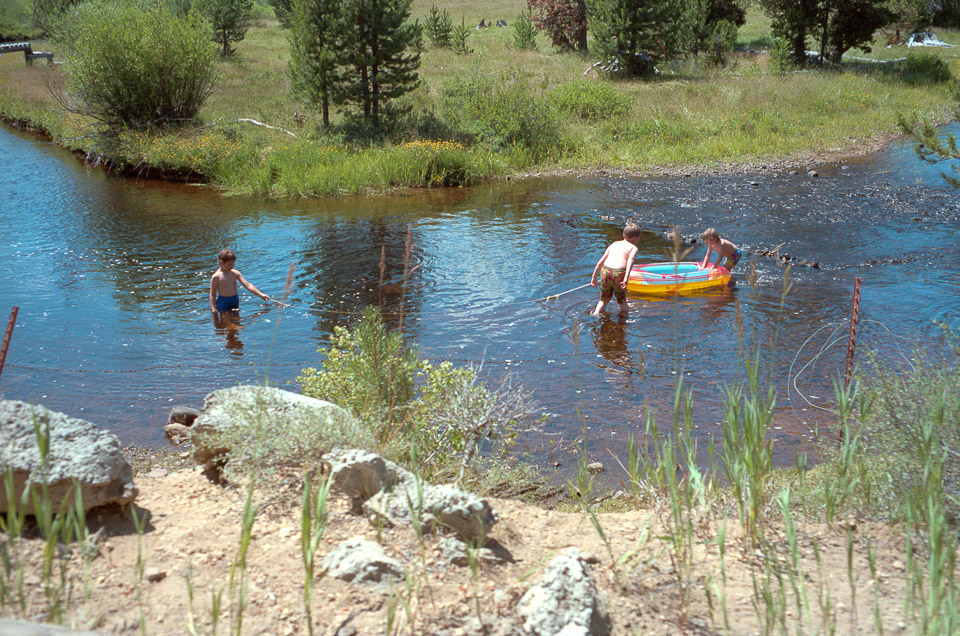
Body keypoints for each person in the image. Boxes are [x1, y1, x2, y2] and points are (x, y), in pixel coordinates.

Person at [590, 223, 641, 315]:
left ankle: (595, 314)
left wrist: (594, 277)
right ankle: (624, 318)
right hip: (618, 273)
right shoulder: (633, 248)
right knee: (622, 301)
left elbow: (600, 262)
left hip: (605, 271)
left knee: (603, 299)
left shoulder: (614, 244)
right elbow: (630, 260)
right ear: (634, 238)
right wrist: (626, 277)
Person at [209, 248, 271, 317]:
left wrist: (261, 294)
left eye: (233, 264)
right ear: (221, 262)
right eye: (229, 264)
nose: (232, 266)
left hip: (234, 300)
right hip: (223, 302)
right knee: (226, 320)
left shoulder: (235, 273)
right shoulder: (216, 277)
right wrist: (213, 308)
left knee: (236, 320)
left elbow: (248, 285)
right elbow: (212, 294)